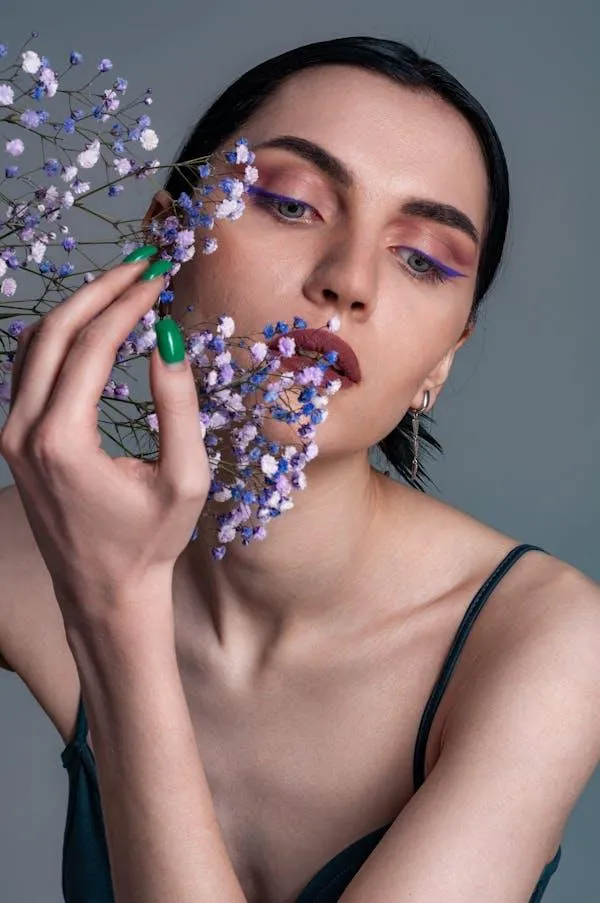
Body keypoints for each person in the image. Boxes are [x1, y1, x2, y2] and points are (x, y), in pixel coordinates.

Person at [1, 35, 599, 903]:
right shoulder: (30, 547)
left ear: (444, 360)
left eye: (422, 258)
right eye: (290, 205)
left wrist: (115, 612)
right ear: (169, 240)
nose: (349, 280)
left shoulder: (550, 643)